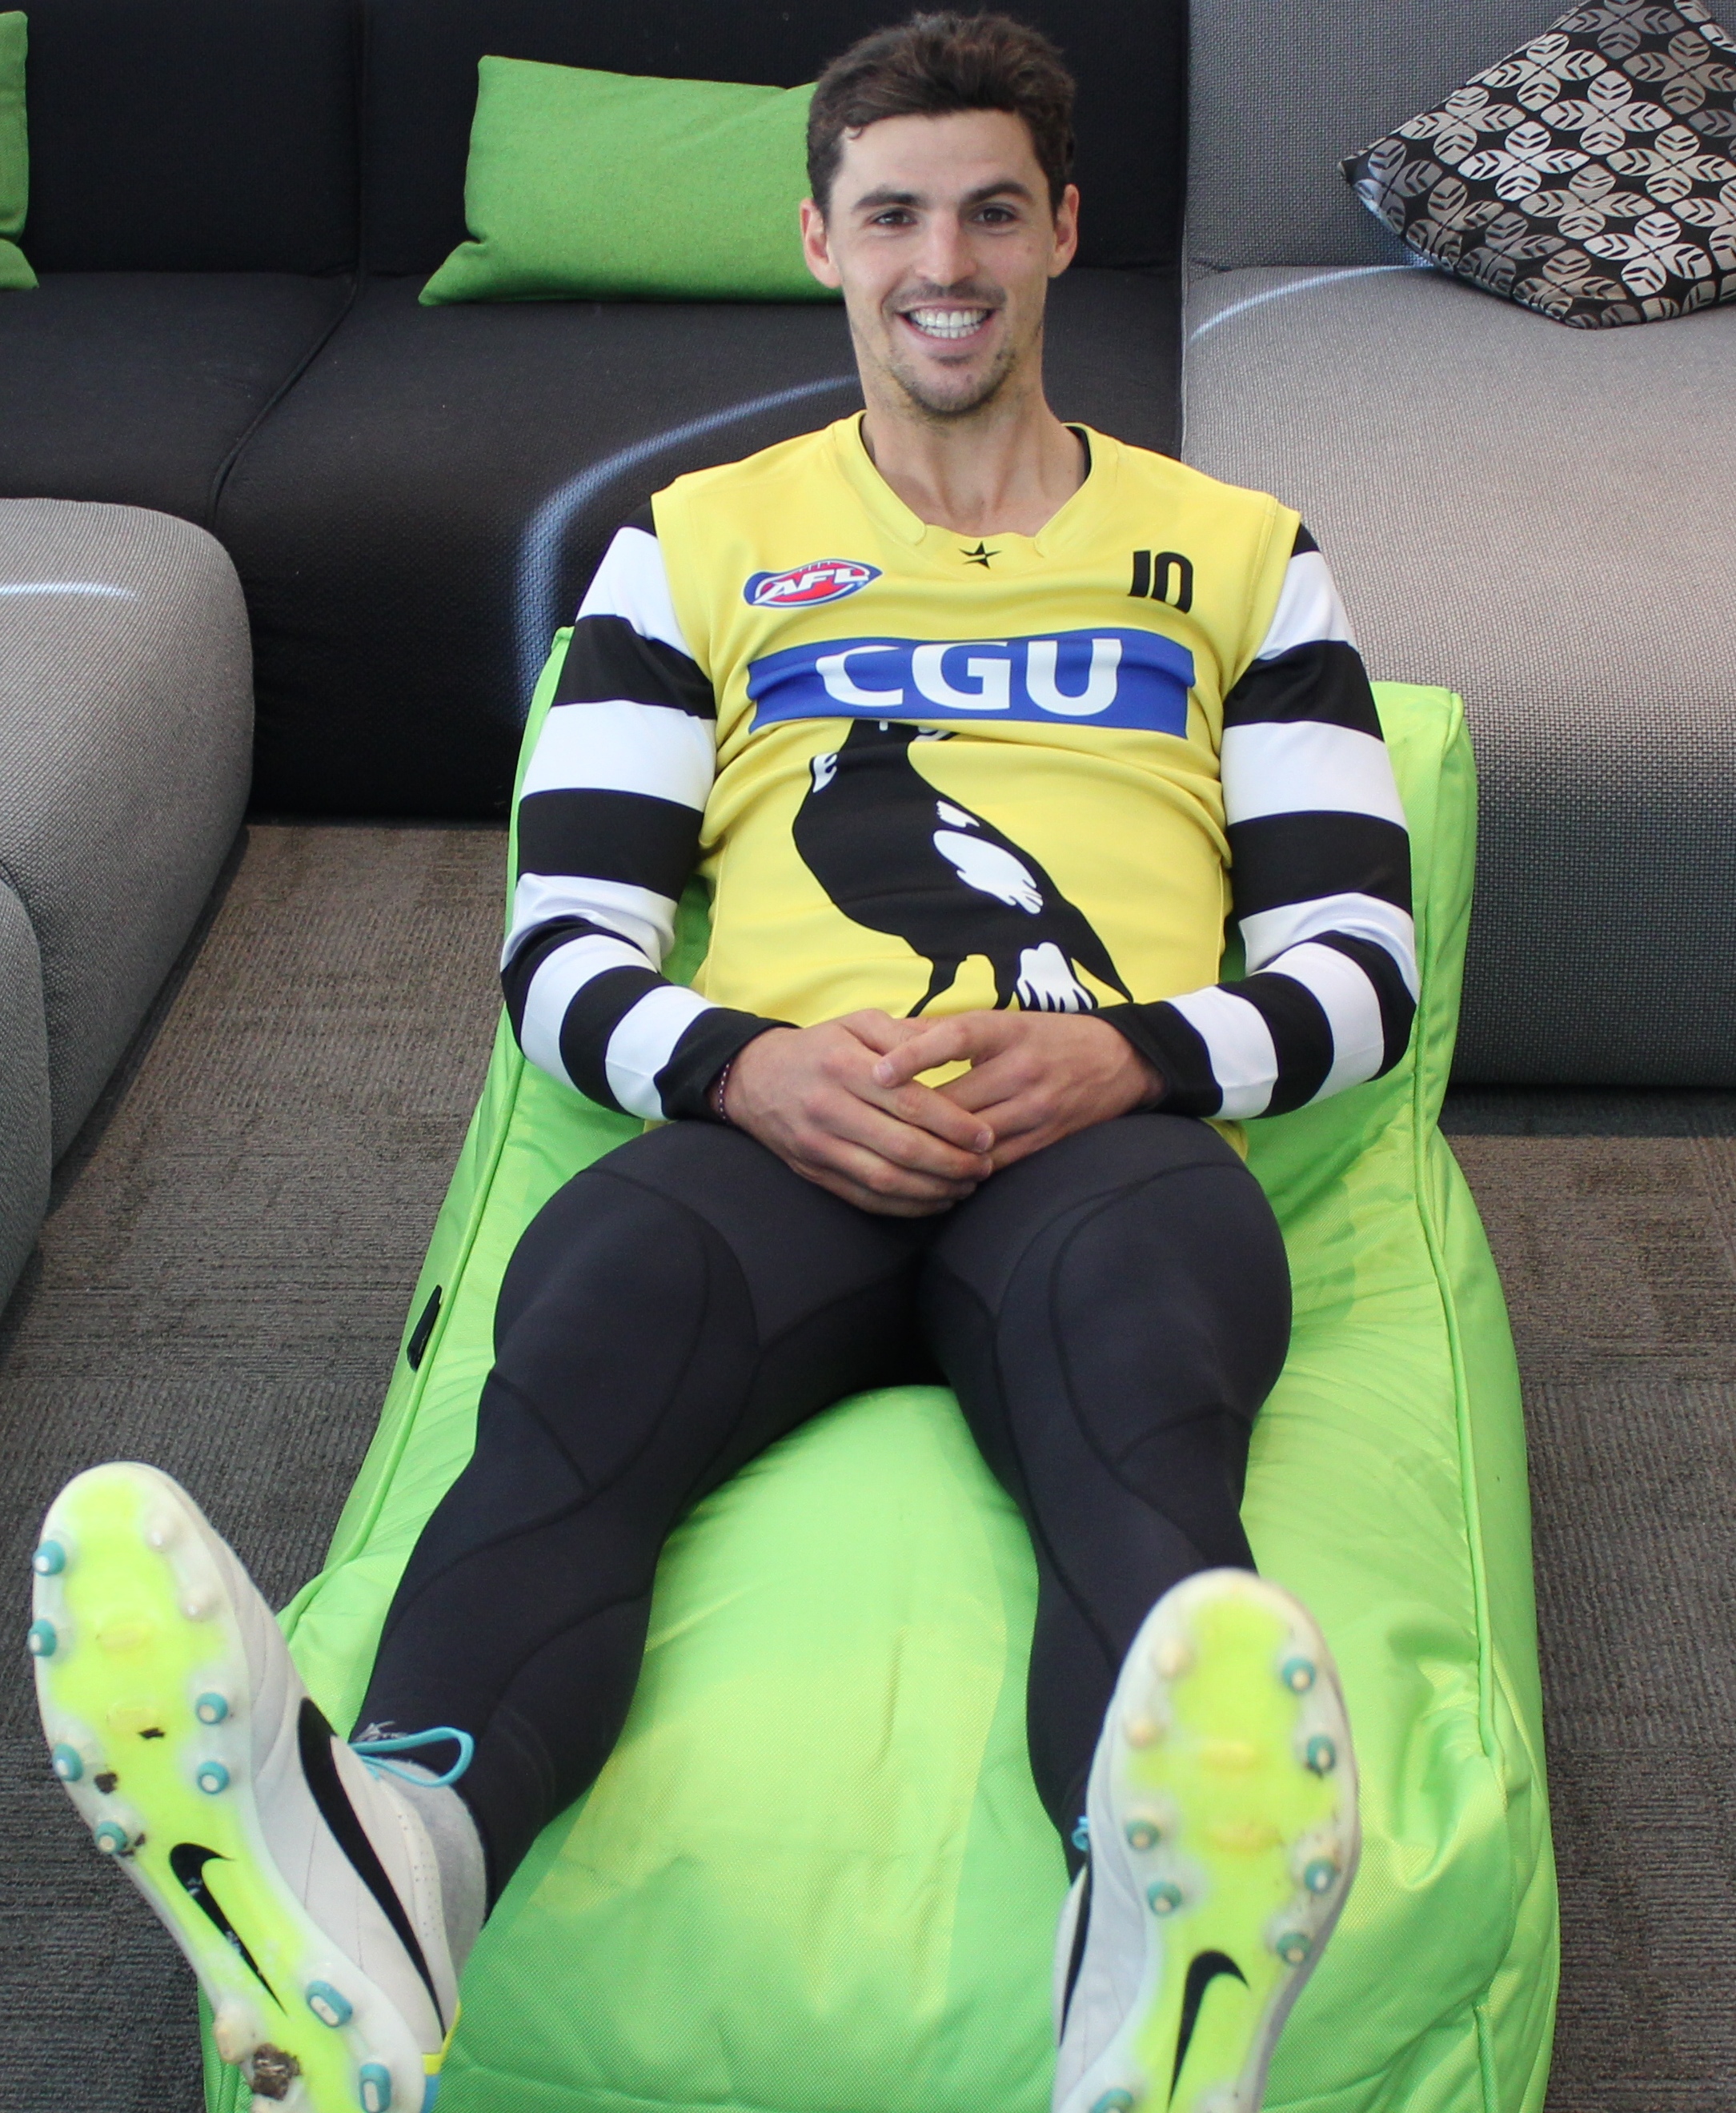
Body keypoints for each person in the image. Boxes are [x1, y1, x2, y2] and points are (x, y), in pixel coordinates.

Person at [30, 15, 1415, 2112]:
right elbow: (560, 941)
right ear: (820, 241)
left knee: (1141, 1363)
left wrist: (1131, 1057)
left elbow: (1355, 962)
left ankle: (1148, 1968)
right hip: (786, 1116)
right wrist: (741, 1070)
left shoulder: (1236, 548)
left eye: (983, 211)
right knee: (594, 1317)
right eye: (890, 216)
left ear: (1057, 231)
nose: (938, 261)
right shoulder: (687, 542)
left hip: (1097, 1138)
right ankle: (398, 1874)